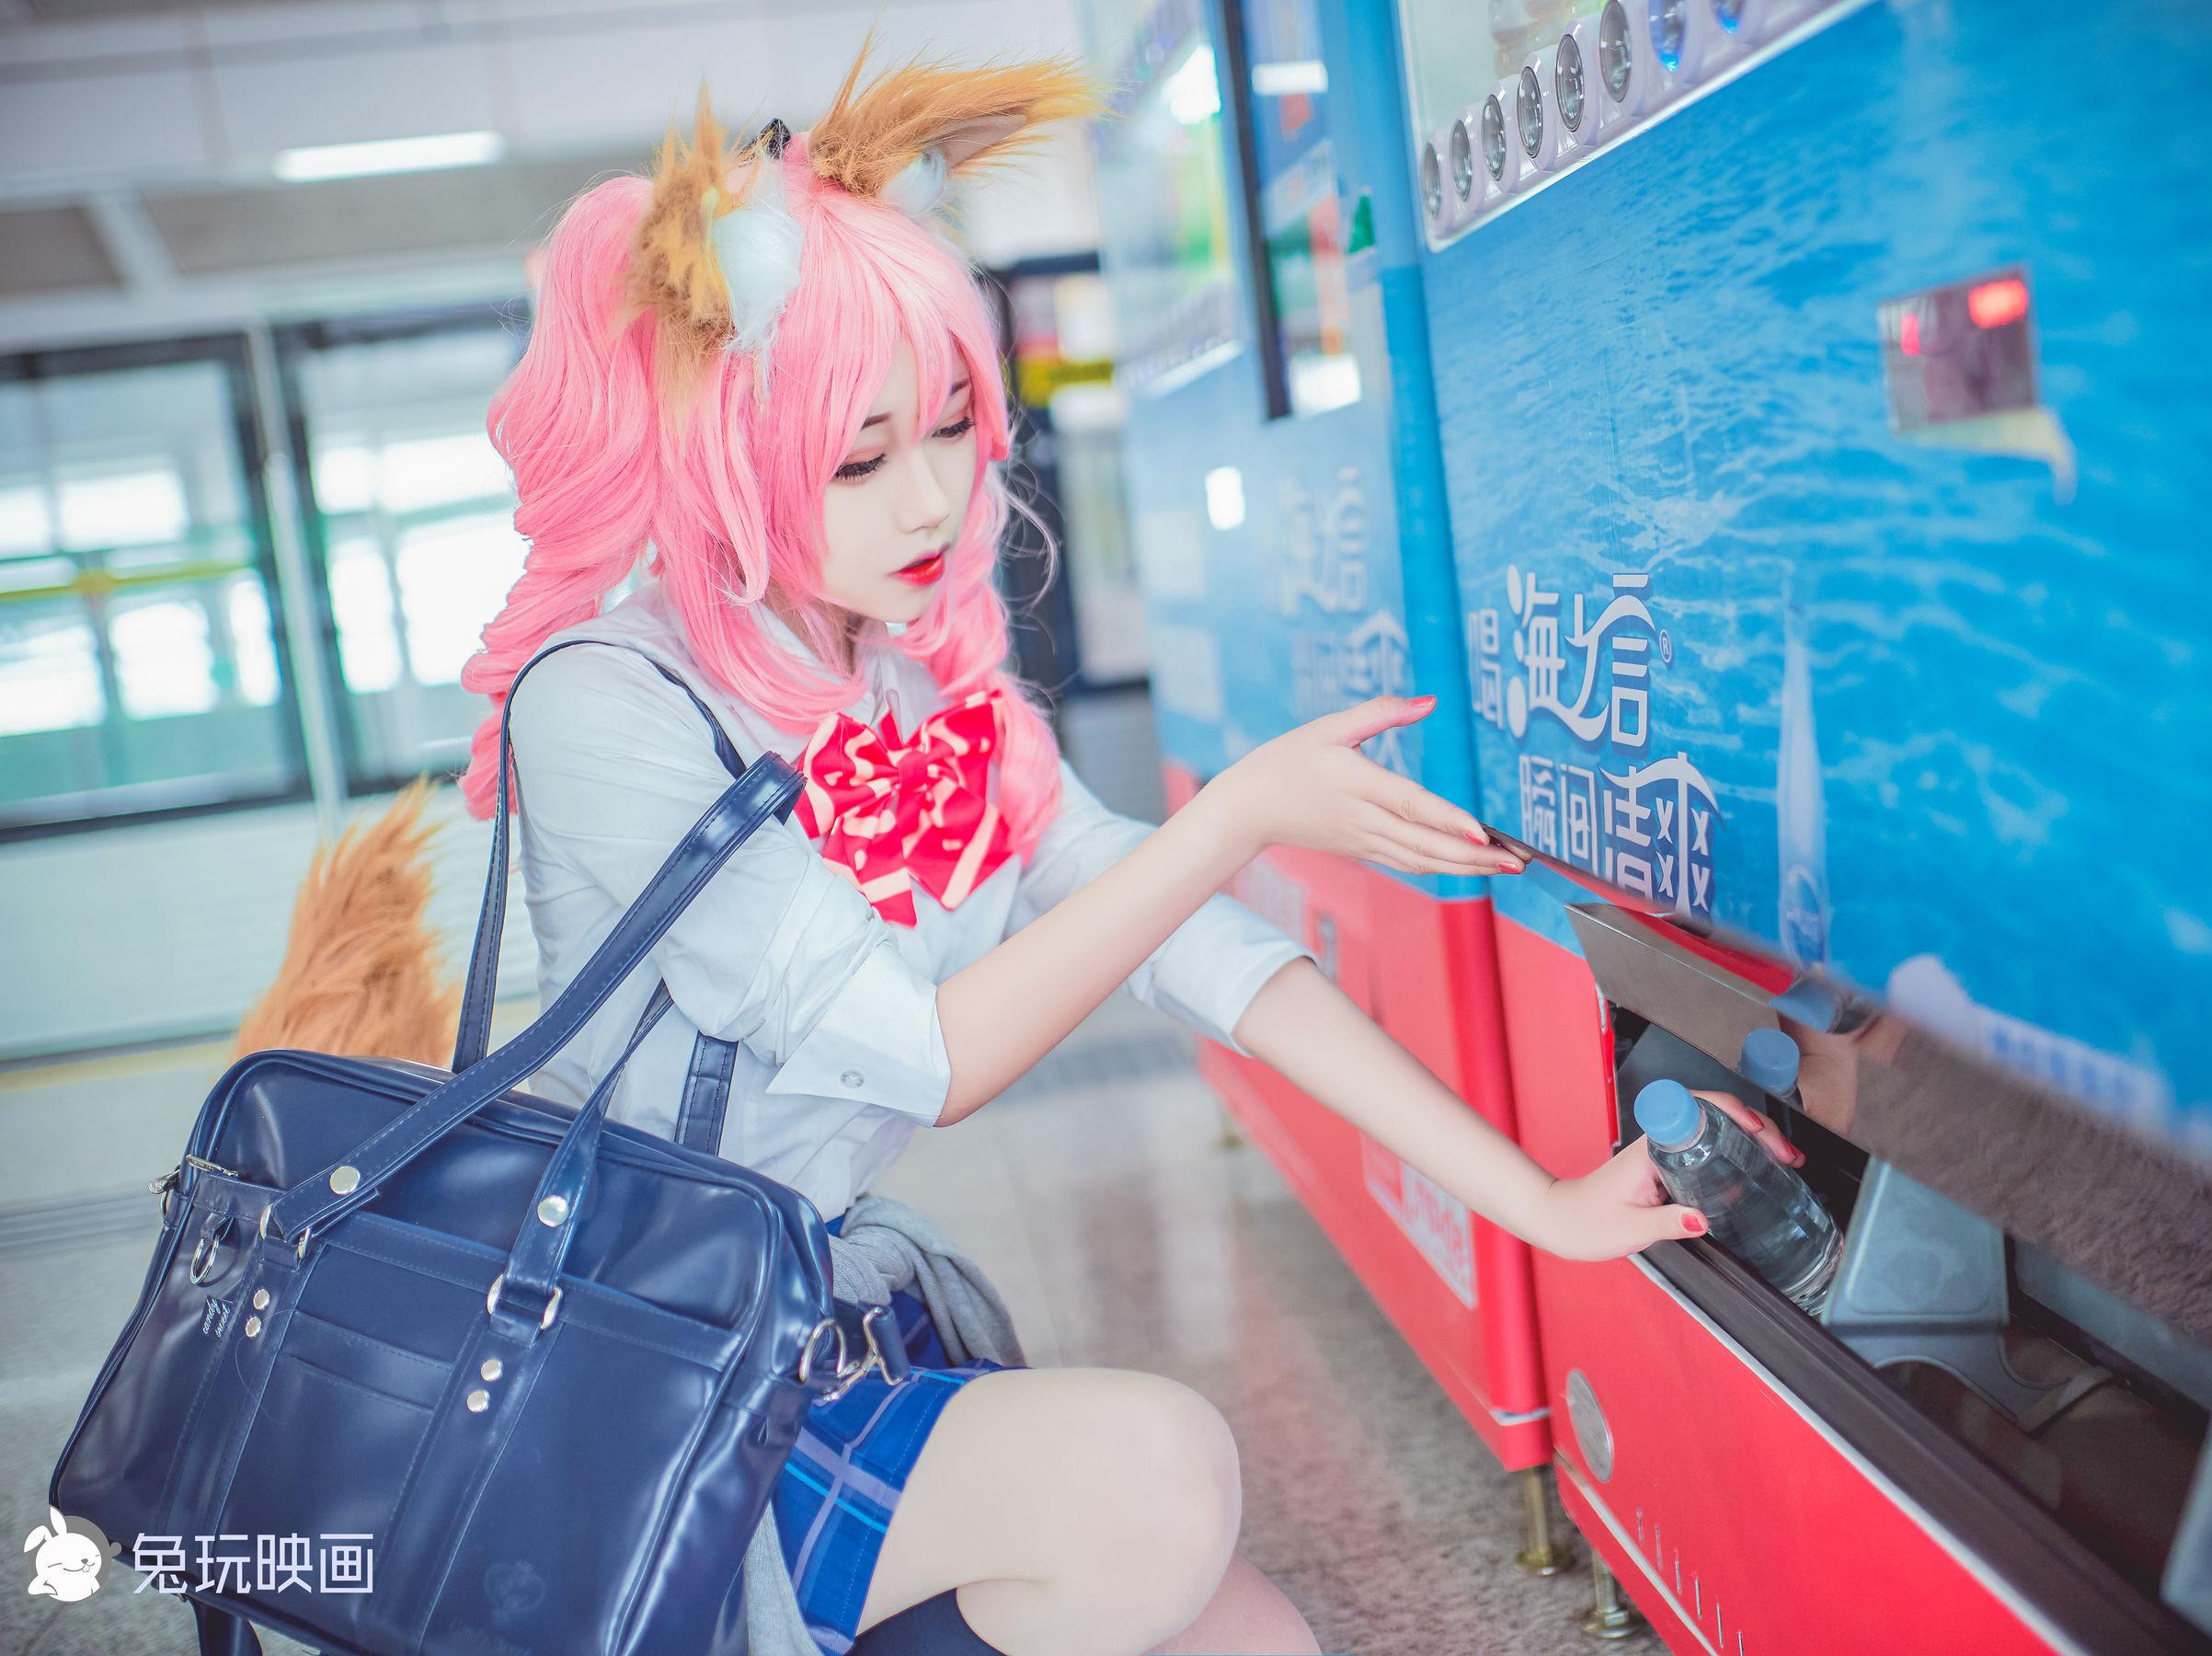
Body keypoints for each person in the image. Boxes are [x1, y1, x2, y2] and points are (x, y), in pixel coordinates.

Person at [457, 48, 1800, 1656]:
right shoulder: (603, 697)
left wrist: (1542, 1202)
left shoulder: (900, 678)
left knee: (1262, 1639)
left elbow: (1192, 945)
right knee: (1161, 1479)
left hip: (798, 1329)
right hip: (637, 1394)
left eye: (951, 424)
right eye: (858, 456)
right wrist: (1235, 814)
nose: (931, 498)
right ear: (721, 450)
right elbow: (928, 1058)